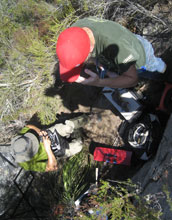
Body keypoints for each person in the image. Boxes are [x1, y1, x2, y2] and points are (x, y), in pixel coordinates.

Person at [56, 17, 166, 88]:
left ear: (90, 49)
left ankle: (162, 73)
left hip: (140, 53)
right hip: (121, 51)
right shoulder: (75, 31)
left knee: (151, 69)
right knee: (122, 74)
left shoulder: (117, 46)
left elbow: (133, 80)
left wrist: (98, 82)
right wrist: (99, 63)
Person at [11, 120, 83, 172]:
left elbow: (28, 126)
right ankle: (79, 138)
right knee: (78, 145)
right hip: (54, 151)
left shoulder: (18, 141)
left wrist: (40, 131)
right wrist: (47, 148)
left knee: (68, 127)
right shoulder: (27, 165)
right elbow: (52, 167)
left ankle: (86, 118)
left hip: (49, 134)